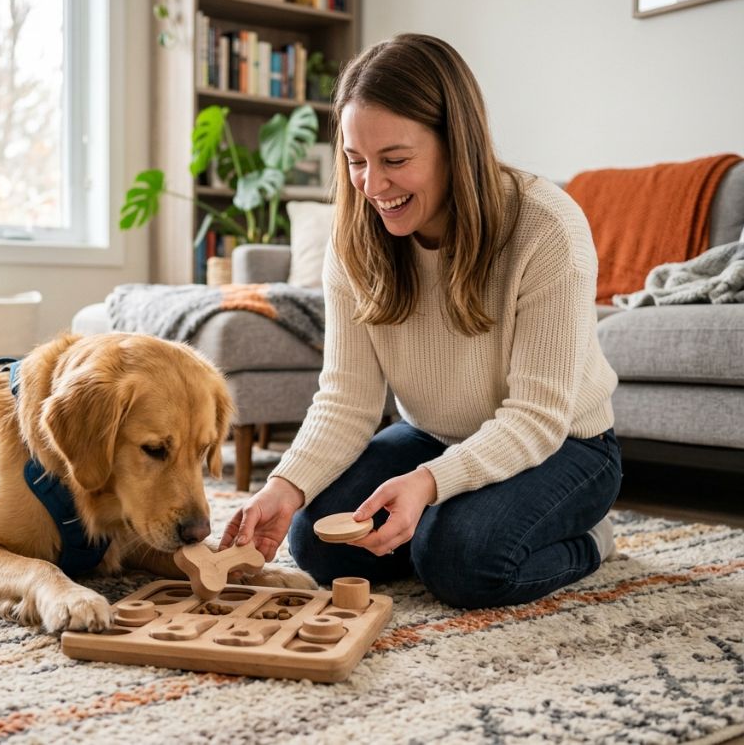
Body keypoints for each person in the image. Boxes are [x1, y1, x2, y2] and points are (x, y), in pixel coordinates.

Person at [219, 33, 622, 609]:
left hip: (566, 446)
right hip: (435, 435)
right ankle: (440, 522)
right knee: (317, 539)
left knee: (458, 560)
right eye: (356, 162)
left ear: (455, 144)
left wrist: (430, 484)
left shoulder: (546, 227)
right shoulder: (355, 238)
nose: (373, 187)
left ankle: (587, 540)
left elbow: (537, 417)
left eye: (396, 161)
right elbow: (346, 400)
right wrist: (284, 485)